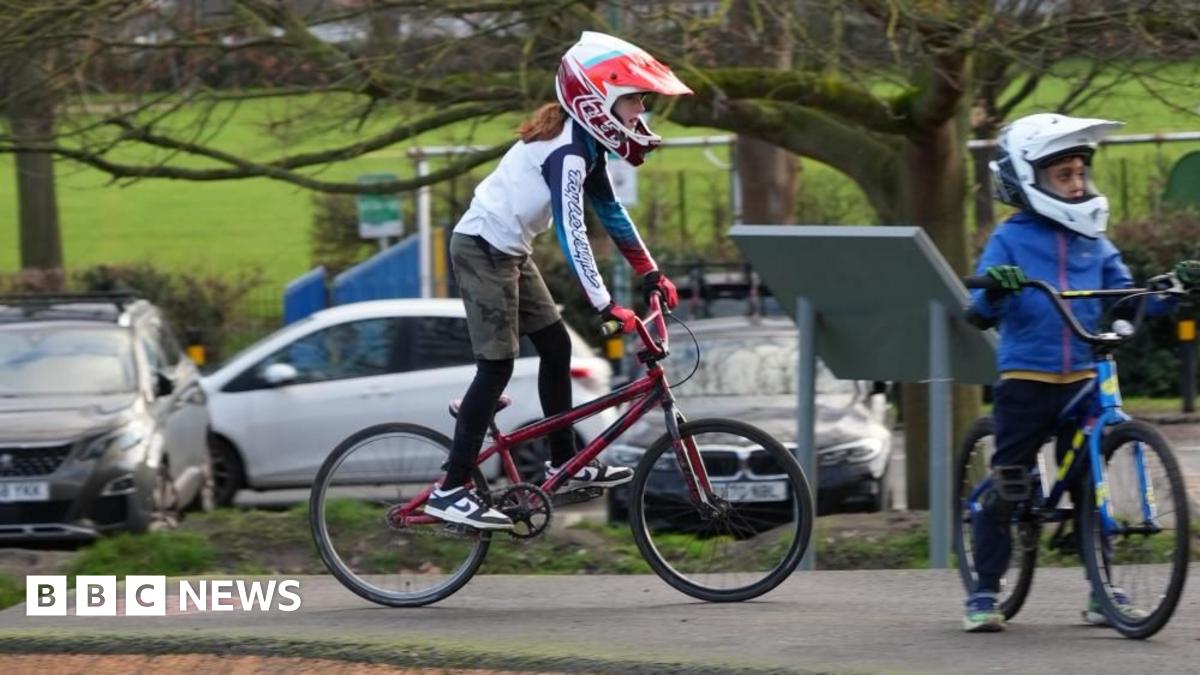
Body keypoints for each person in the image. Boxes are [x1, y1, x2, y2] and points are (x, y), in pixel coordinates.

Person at [423, 31, 692, 530]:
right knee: (497, 366)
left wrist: (651, 272)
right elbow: (573, 231)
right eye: (634, 102)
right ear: (598, 101)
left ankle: (563, 464)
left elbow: (611, 213)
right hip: (481, 249)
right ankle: (451, 490)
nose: (640, 114)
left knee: (556, 349)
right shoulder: (566, 152)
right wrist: (606, 304)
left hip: (510, 252)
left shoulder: (586, 146)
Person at [963, 112, 1195, 632]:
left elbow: (1127, 297)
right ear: (1029, 181)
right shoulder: (1011, 239)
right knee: (1010, 486)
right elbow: (980, 308)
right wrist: (997, 288)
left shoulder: (1096, 243)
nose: (1075, 185)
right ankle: (983, 591)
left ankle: (1101, 591)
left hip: (1085, 378)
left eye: (1078, 174)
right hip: (1027, 378)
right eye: (1062, 175)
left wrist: (1168, 291)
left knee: (1092, 488)